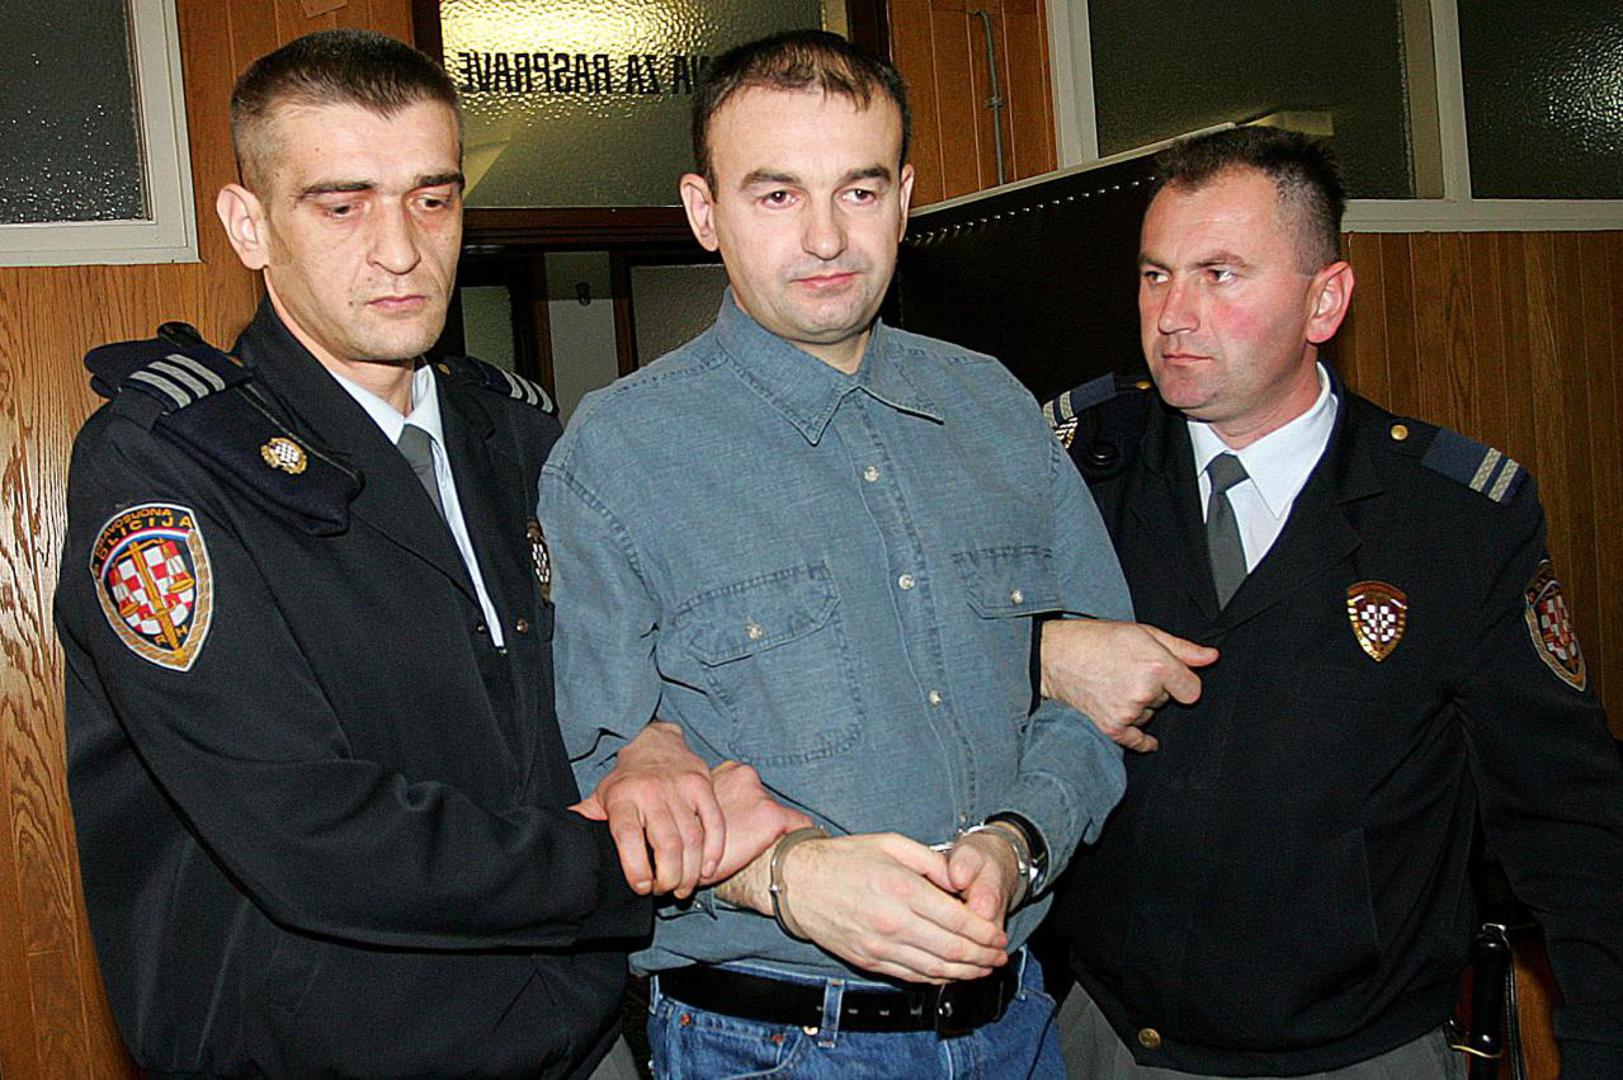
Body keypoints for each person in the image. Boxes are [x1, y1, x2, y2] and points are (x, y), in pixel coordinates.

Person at [55, 30, 795, 1079]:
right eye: (342, 205)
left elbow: (622, 668)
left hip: (578, 1035)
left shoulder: (524, 434)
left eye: (432, 199)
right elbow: (303, 830)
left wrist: (655, 739)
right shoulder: (166, 465)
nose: (400, 250)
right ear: (248, 224)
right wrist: (631, 863)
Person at [538, 29, 1134, 1079]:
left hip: (1017, 1025)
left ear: (903, 199)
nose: (825, 237)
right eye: (776, 195)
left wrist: (1019, 841)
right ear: (703, 212)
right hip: (767, 1044)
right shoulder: (618, 455)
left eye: (858, 191)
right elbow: (600, 773)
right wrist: (788, 875)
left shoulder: (995, 409)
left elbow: (1095, 694)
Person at [1040, 125, 1623, 1078]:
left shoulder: (1452, 519)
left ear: (1325, 300)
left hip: (1357, 1050)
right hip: (1106, 1033)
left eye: (1220, 275)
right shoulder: (1072, 468)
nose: (1173, 315)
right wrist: (1037, 652)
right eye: (1155, 276)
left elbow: (1565, 819)